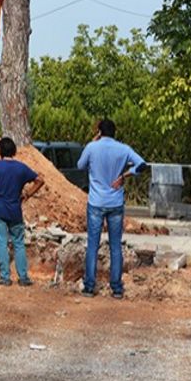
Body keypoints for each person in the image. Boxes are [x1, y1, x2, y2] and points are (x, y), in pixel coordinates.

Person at [77, 119, 146, 299]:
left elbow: (80, 165)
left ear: (100, 132)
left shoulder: (92, 147)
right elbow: (142, 165)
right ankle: (116, 287)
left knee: (93, 245)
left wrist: (92, 142)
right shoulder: (124, 149)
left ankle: (89, 287)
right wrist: (124, 175)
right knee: (115, 246)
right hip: (115, 203)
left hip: (96, 202)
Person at [0, 137, 45, 287]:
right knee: (19, 244)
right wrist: (27, 194)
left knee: (2, 243)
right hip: (15, 210)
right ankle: (23, 277)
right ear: (14, 151)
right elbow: (40, 180)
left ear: (0, 151)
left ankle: (5, 277)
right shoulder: (21, 168)